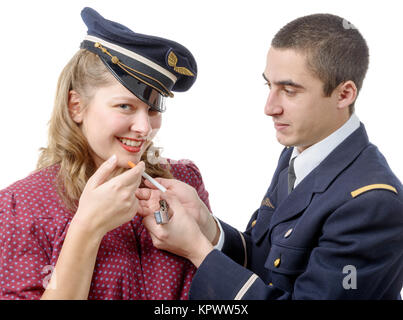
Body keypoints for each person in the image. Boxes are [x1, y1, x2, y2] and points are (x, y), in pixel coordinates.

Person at [138, 13, 403, 299]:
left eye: (289, 91)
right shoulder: (301, 151)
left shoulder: (372, 203)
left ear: (344, 94)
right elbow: (268, 261)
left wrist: (197, 250)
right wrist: (207, 225)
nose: (270, 107)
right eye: (269, 86)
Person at [0, 7, 211, 300]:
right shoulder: (21, 205)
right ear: (76, 106)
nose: (144, 127)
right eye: (125, 106)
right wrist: (86, 228)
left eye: (153, 109)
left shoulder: (184, 180)